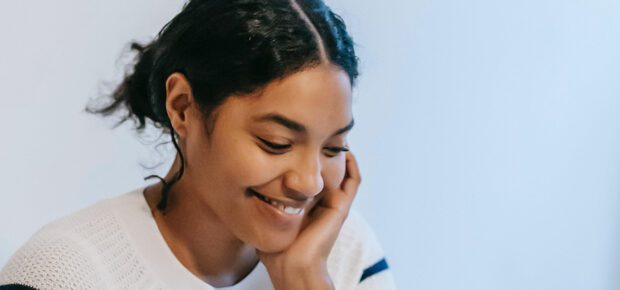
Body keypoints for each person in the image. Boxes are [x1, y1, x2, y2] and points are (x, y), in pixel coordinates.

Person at [0, 0, 396, 289]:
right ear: (183, 107)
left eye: (333, 148)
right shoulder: (65, 274)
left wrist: (307, 283)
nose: (309, 183)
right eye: (276, 143)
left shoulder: (344, 254)